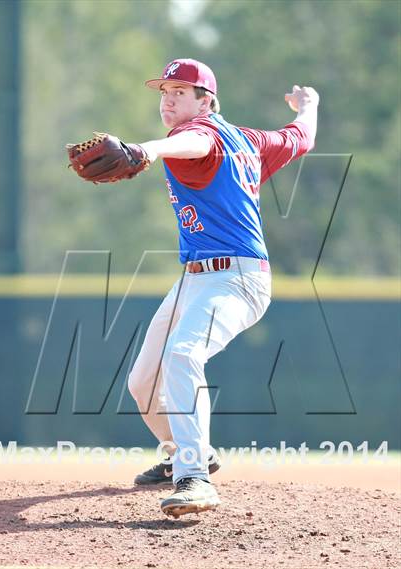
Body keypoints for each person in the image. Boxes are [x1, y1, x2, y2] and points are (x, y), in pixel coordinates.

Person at [127, 58, 319, 518]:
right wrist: (309, 104)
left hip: (237, 277)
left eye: (180, 91)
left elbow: (196, 143)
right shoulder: (252, 140)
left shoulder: (196, 134)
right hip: (196, 278)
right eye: (164, 91)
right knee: (143, 381)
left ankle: (195, 480)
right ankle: (190, 454)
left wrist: (147, 150)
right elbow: (300, 137)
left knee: (182, 354)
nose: (168, 99)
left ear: (205, 101)